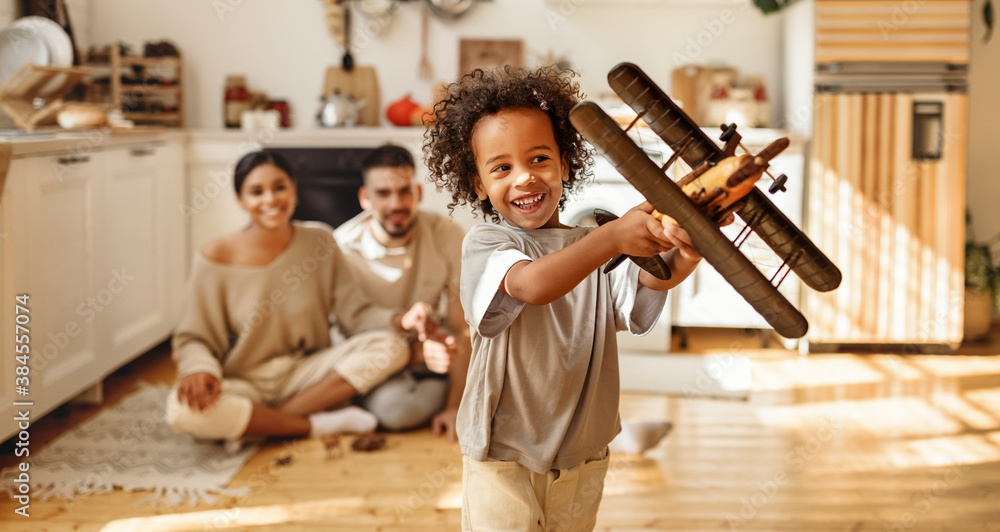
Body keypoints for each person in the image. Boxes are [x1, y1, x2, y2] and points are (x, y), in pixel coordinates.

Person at [424, 66, 712, 531]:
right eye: (502, 168)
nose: (524, 178)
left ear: (565, 165)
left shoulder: (595, 242)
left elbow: (645, 287)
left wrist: (687, 253)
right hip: (503, 454)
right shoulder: (487, 244)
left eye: (539, 159)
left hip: (583, 451)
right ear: (478, 183)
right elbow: (532, 286)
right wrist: (614, 237)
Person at [165, 150, 437, 446]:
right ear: (240, 200)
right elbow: (193, 337)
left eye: (280, 187)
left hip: (305, 375)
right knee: (181, 412)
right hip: (245, 380)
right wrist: (199, 368)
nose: (270, 199)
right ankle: (314, 424)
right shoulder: (214, 257)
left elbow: (356, 314)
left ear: (294, 190)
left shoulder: (320, 241)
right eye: (257, 192)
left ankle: (264, 423)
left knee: (391, 347)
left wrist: (400, 319)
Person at [335, 144, 470, 441]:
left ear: (418, 194)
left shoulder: (446, 234)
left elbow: (463, 328)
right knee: (395, 409)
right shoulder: (342, 249)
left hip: (439, 354)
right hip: (382, 364)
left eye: (404, 191)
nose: (396, 203)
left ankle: (465, 395)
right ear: (365, 198)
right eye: (383, 193)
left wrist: (454, 407)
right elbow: (347, 333)